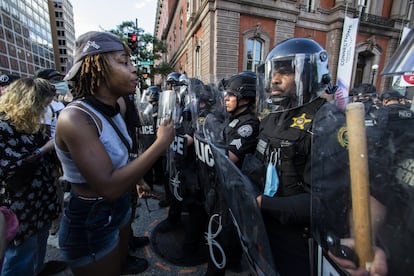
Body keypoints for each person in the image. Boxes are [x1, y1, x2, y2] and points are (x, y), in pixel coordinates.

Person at [55, 31, 174, 275]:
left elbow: (119, 155)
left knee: (120, 264)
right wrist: (161, 143)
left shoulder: (113, 107)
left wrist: (137, 178)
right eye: (123, 62)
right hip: (92, 217)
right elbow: (108, 186)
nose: (133, 70)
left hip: (117, 207)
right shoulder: (75, 117)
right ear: (96, 69)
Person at [0, 77, 66, 275]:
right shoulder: (3, 128)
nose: (44, 111)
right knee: (19, 256)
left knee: (38, 243)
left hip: (40, 200)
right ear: (28, 102)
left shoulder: (29, 122)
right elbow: (10, 171)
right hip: (19, 207)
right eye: (42, 105)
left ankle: (39, 269)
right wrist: (43, 150)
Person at [204, 72, 260, 276]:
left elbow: (227, 157)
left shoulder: (248, 124)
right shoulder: (231, 119)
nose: (225, 99)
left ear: (244, 98)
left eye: (230, 95)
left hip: (233, 191)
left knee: (222, 235)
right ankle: (232, 263)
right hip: (220, 187)